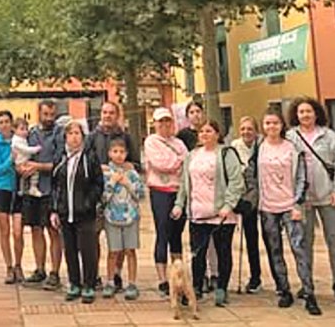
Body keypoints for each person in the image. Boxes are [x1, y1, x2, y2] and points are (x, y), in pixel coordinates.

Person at [247, 108, 320, 315]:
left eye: (275, 123)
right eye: (268, 123)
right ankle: (284, 290)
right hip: (267, 207)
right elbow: (251, 174)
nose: (272, 127)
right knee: (274, 250)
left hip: (290, 205)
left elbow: (302, 178)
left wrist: (298, 203)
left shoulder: (292, 148)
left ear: (282, 125)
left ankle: (309, 292)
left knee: (299, 249)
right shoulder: (259, 147)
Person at [172, 119, 244, 307]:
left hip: (221, 215)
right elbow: (184, 184)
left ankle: (221, 288)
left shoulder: (226, 154)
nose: (204, 134)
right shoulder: (192, 155)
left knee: (223, 252)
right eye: (202, 131)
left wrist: (228, 205)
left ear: (217, 134)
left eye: (209, 131)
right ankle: (196, 287)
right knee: (198, 254)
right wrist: (179, 204)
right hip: (197, 213)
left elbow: (237, 182)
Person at [286, 96, 335, 302]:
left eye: (309, 111)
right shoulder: (290, 137)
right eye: (301, 112)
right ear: (296, 115)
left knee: (334, 240)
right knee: (305, 242)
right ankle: (307, 283)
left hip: (328, 195)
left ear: (316, 113)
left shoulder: (329, 136)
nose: (305, 115)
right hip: (302, 199)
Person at [85, 101, 138, 291]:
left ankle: (116, 273)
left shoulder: (126, 137)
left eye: (111, 113)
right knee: (94, 237)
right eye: (105, 112)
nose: (107, 115)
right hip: (97, 196)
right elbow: (86, 162)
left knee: (120, 241)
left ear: (117, 115)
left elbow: (135, 164)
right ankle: (96, 274)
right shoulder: (92, 137)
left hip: (120, 199)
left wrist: (127, 167)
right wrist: (99, 169)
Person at [50, 120, 104, 303]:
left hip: (85, 212)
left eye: (77, 133)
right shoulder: (60, 157)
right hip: (66, 212)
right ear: (65, 136)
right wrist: (55, 210)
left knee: (88, 249)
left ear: (83, 136)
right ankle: (74, 283)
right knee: (70, 249)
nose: (74, 137)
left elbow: (98, 183)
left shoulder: (90, 157)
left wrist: (89, 202)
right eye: (70, 133)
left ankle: (89, 284)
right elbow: (55, 185)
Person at [143, 108, 188, 297]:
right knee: (163, 232)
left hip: (178, 192)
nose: (164, 125)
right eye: (160, 122)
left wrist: (175, 162)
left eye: (168, 121)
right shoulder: (151, 142)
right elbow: (161, 164)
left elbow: (187, 162)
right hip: (160, 192)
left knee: (177, 234)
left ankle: (177, 274)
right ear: (154, 124)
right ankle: (162, 279)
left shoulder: (179, 143)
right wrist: (177, 161)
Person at [20, 100, 64, 290]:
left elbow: (60, 163)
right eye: (45, 114)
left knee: (53, 231)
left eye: (52, 115)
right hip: (32, 189)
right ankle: (40, 269)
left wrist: (38, 166)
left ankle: (55, 272)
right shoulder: (31, 134)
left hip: (52, 189)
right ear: (39, 113)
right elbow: (22, 157)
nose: (49, 118)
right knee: (36, 230)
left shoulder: (60, 133)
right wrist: (21, 168)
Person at [101, 138, 144, 300]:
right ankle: (110, 281)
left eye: (121, 152)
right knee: (113, 251)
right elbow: (103, 197)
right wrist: (112, 182)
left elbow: (140, 194)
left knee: (130, 250)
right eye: (115, 152)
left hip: (130, 217)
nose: (118, 155)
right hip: (112, 217)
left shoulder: (132, 173)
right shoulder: (105, 173)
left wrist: (128, 184)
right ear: (109, 154)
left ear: (126, 154)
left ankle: (132, 283)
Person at [0, 110, 25, 284]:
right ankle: (9, 267)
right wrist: (11, 158)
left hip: (18, 188)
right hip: (2, 189)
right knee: (4, 231)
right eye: (1, 122)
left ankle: (19, 265)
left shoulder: (19, 140)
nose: (4, 125)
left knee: (18, 232)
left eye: (7, 121)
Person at [230, 116, 264, 293]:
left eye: (249, 129)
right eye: (243, 129)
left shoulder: (262, 146)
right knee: (244, 238)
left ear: (256, 131)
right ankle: (252, 277)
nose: (246, 132)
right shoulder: (234, 147)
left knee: (259, 239)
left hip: (262, 197)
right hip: (242, 198)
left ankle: (259, 277)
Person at [13, 118, 42, 197]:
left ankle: (22, 190)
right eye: (22, 129)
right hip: (21, 162)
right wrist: (36, 149)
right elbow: (25, 150)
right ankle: (33, 187)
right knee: (34, 171)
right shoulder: (16, 141)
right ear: (15, 130)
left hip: (25, 161)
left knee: (24, 177)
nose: (25, 131)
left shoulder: (23, 139)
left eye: (26, 129)